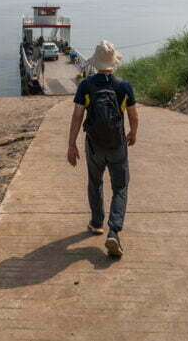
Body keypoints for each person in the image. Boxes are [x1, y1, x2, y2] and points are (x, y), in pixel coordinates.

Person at [67, 40, 138, 257]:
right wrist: (133, 133)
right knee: (120, 187)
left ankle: (97, 223)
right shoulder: (124, 87)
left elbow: (78, 115)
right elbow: (133, 115)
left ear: (96, 63)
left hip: (94, 145)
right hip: (117, 145)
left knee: (95, 182)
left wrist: (71, 144)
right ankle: (113, 232)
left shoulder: (86, 86)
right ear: (113, 62)